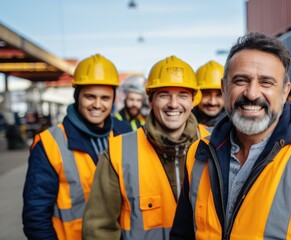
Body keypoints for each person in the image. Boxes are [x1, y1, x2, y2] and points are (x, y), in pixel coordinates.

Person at [170, 32, 291, 239]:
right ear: (224, 88)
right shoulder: (199, 156)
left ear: (284, 92)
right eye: (241, 80)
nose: (252, 93)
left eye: (266, 83)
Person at [82, 55, 210, 239]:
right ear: (150, 100)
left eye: (182, 95)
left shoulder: (214, 144)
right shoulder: (118, 152)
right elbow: (99, 230)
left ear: (192, 101)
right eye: (164, 95)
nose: (173, 104)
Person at [22, 54, 131, 239]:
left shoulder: (125, 133)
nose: (97, 105)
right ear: (77, 96)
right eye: (90, 96)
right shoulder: (50, 143)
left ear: (113, 99)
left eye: (105, 98)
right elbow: (36, 215)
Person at [192, 60, 227, 127]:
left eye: (219, 95)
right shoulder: (183, 122)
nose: (212, 102)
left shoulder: (234, 127)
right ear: (195, 94)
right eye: (207, 94)